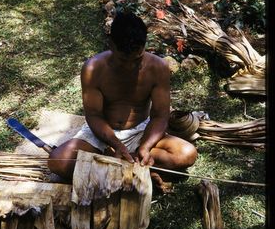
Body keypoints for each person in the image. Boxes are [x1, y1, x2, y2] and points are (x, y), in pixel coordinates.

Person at [47, 11, 197, 192]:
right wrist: (115, 145)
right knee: (58, 161)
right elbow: (93, 115)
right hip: (101, 137)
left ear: (144, 45)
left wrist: (146, 147)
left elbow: (160, 115)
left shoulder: (158, 68)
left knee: (187, 154)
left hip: (141, 131)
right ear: (111, 44)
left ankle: (119, 166)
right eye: (123, 59)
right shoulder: (93, 68)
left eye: (137, 59)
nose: (130, 66)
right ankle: (137, 171)